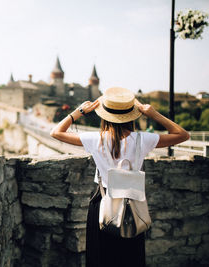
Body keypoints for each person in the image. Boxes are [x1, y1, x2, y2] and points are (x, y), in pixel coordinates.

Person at [50, 87, 189, 267]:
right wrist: (153, 114)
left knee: (101, 256)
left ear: (105, 116)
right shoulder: (143, 139)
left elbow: (56, 132)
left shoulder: (95, 139)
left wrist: (79, 111)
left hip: (103, 201)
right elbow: (183, 135)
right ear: (131, 116)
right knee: (130, 256)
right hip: (132, 202)